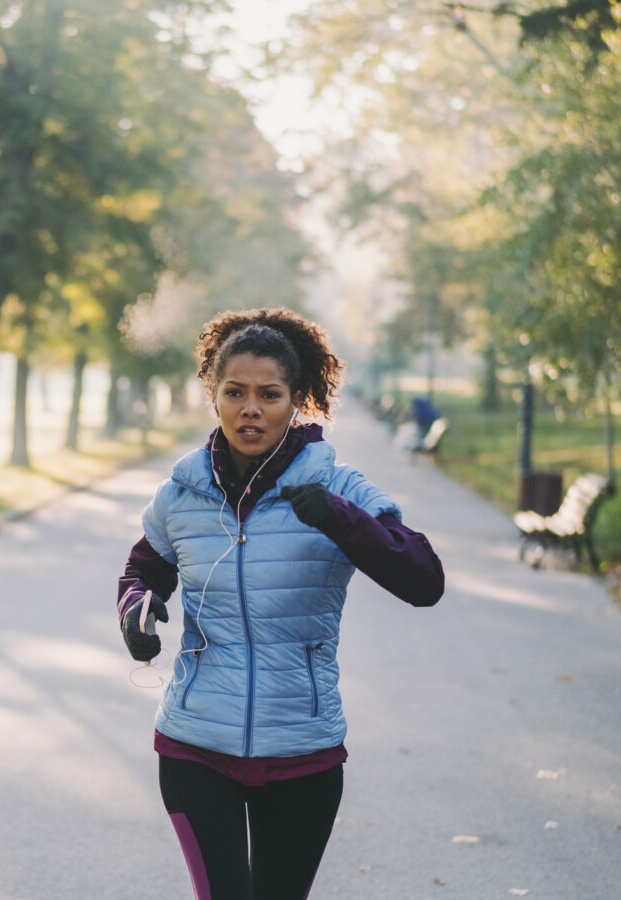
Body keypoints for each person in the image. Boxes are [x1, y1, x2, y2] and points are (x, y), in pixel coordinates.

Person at [117, 307, 444, 900]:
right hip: (196, 746)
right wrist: (135, 610)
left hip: (303, 752)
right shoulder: (181, 494)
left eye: (269, 394)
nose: (250, 408)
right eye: (234, 392)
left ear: (296, 400)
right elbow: (144, 569)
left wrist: (338, 518)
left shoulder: (340, 487)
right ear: (212, 396)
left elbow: (424, 580)